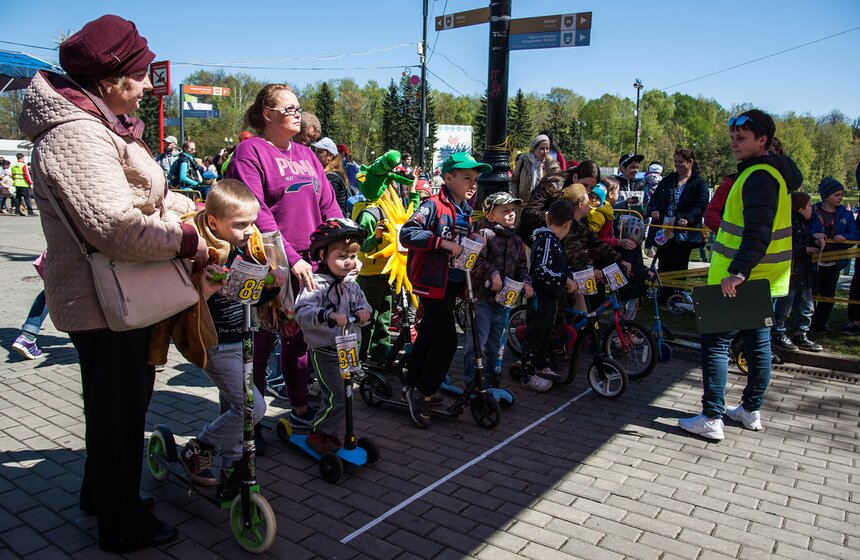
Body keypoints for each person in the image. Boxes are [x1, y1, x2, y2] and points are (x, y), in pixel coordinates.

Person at [20, 14, 205, 551]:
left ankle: (101, 495)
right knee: (116, 409)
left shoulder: (99, 126)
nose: (149, 85)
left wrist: (183, 205)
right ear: (109, 80)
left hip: (115, 293)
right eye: (142, 74)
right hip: (105, 297)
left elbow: (137, 198)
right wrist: (187, 240)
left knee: (117, 404)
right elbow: (116, 228)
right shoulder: (77, 136)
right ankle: (120, 523)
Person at [225, 84, 342, 448]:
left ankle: (300, 406)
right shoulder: (250, 152)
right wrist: (289, 260)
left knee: (300, 341)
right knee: (257, 346)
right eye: (288, 107)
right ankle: (251, 417)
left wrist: (344, 242)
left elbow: (330, 205)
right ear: (267, 114)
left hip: (308, 262)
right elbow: (255, 212)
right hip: (263, 264)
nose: (297, 112)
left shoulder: (307, 156)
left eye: (297, 106)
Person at [679, 109, 800, 441]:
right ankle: (750, 410)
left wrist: (739, 272)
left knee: (716, 343)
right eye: (732, 137)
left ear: (763, 141)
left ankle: (711, 416)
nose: (734, 143)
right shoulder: (774, 173)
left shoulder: (759, 176)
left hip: (738, 279)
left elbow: (758, 230)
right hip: (763, 278)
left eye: (742, 138)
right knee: (758, 342)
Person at [180, 180, 285, 495]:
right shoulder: (200, 251)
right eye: (240, 224)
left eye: (252, 223)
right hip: (216, 343)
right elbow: (181, 303)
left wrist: (273, 285)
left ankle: (232, 464)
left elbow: (251, 299)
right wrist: (204, 289)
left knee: (237, 407)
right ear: (214, 222)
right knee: (254, 408)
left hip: (243, 338)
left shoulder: (247, 247)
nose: (249, 230)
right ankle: (199, 448)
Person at [399, 151, 491, 428]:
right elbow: (407, 233)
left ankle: (411, 381)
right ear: (448, 178)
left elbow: (461, 241)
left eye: (475, 179)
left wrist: (474, 239)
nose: (473, 184)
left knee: (429, 334)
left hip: (451, 283)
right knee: (448, 341)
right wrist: (442, 243)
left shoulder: (464, 210)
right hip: (430, 281)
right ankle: (423, 392)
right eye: (467, 178)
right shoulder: (433, 206)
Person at [295, 218, 372, 454]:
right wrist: (326, 315)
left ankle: (336, 431)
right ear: (322, 255)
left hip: (348, 348)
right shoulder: (315, 285)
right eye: (342, 257)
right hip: (325, 351)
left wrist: (363, 312)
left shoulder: (351, 285)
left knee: (348, 396)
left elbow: (364, 305)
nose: (349, 263)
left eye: (352, 257)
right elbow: (302, 312)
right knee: (337, 396)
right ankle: (319, 431)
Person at [465, 192, 533, 387]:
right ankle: (472, 382)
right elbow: (475, 261)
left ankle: (489, 380)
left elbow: (521, 266)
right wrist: (492, 273)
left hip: (504, 301)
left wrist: (526, 282)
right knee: (477, 344)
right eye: (504, 210)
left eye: (512, 210)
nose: (511, 214)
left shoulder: (516, 240)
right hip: (482, 299)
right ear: (490, 215)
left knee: (495, 346)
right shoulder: (484, 235)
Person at [519, 198, 577, 392]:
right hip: (540, 297)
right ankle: (527, 374)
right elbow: (541, 270)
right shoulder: (548, 242)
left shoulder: (553, 242)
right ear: (568, 224)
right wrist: (563, 279)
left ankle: (541, 365)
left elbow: (557, 267)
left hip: (550, 297)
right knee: (534, 335)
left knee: (545, 333)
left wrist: (568, 276)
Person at [646, 149, 710, 301]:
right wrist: (654, 210)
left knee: (679, 263)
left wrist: (687, 218)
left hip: (682, 232)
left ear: (690, 162)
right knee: (664, 261)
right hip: (664, 228)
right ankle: (663, 293)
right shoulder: (668, 180)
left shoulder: (699, 183)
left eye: (680, 162)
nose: (677, 165)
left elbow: (700, 206)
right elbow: (655, 198)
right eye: (675, 162)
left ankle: (677, 294)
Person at [771, 191, 823, 352]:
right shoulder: (789, 224)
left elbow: (805, 236)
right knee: (784, 307)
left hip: (804, 273)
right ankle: (778, 333)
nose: (812, 209)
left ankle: (801, 334)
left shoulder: (805, 224)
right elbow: (783, 247)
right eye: (809, 206)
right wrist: (803, 249)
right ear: (800, 209)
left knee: (807, 307)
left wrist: (816, 237)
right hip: (790, 273)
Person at [810, 177, 859, 333]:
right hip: (814, 261)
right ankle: (808, 322)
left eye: (841, 194)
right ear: (826, 196)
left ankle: (821, 322)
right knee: (811, 294)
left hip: (835, 262)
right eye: (837, 195)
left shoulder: (846, 214)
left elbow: (855, 233)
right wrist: (815, 235)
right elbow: (804, 229)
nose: (841, 198)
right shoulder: (813, 212)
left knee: (828, 295)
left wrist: (846, 238)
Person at [518, 161, 600, 246]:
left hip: (556, 244)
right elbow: (527, 214)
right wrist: (553, 216)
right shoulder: (553, 183)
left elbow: (584, 231)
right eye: (585, 185)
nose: (587, 191)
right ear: (575, 177)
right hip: (530, 241)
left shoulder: (585, 196)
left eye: (592, 188)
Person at [510, 134, 562, 205]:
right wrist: (513, 196)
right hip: (523, 205)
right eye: (542, 148)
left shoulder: (551, 163)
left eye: (547, 148)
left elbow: (559, 182)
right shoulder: (523, 161)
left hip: (542, 206)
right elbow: (513, 181)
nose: (545, 151)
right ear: (534, 149)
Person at [311, 137, 351, 214]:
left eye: (319, 152)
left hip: (333, 220)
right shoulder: (333, 173)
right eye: (314, 151)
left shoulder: (331, 177)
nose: (314, 154)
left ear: (330, 156)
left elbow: (324, 203)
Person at [11, 152, 36, 216]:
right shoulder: (23, 165)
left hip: (17, 183)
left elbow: (13, 175)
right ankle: (30, 212)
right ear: (22, 158)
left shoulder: (13, 165)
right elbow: (26, 175)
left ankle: (17, 211)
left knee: (18, 198)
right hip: (24, 184)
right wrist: (30, 183)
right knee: (27, 198)